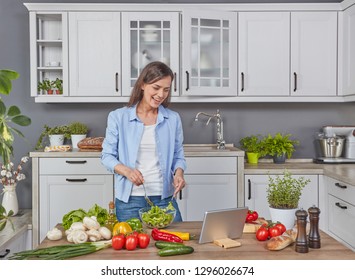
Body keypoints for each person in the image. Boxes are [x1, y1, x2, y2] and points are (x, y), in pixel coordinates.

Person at [101, 61, 186, 222]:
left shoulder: (173, 119)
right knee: (133, 246)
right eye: (156, 87)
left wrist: (179, 173)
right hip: (130, 200)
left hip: (165, 199)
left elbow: (178, 154)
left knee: (177, 243)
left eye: (166, 89)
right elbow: (106, 156)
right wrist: (127, 171)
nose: (161, 94)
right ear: (142, 85)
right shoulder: (118, 117)